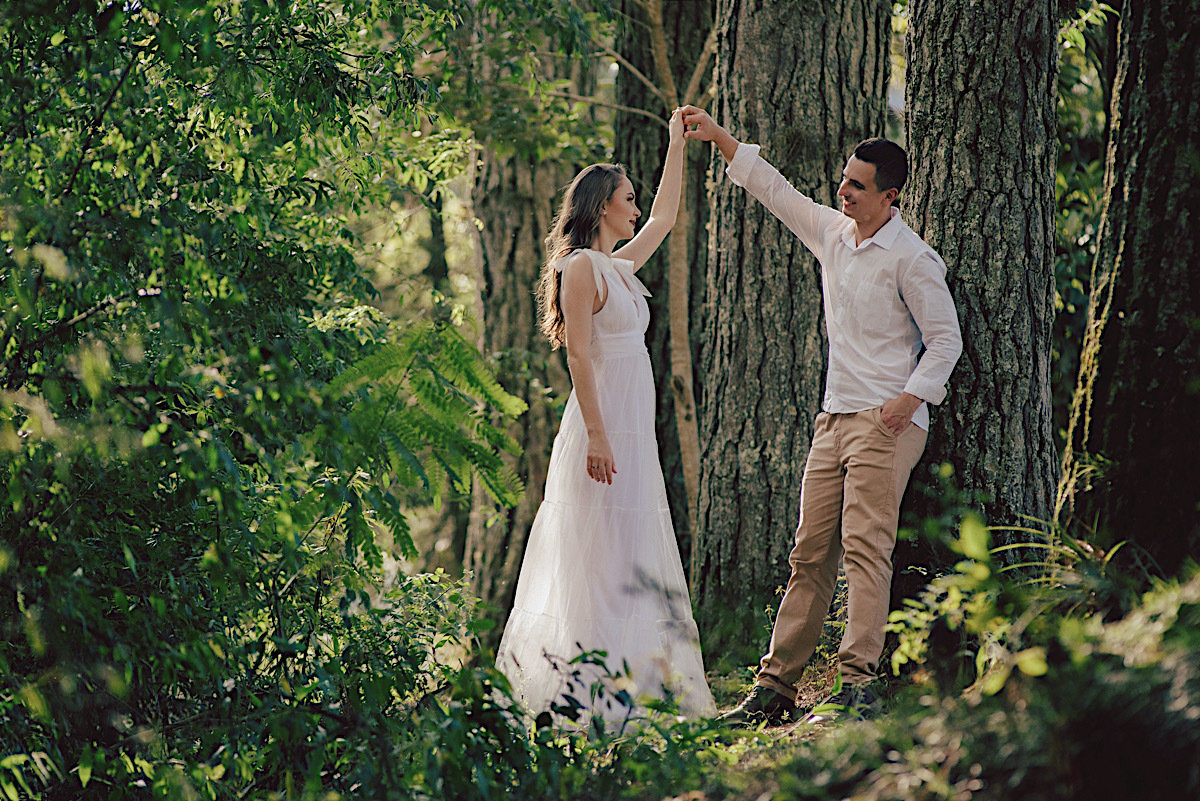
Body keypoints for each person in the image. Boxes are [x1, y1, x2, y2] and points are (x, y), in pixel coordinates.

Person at [680, 106, 963, 725]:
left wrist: (909, 400)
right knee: (809, 555)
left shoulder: (912, 259)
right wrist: (719, 137)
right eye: (844, 179)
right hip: (832, 421)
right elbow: (776, 192)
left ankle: (858, 687)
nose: (844, 191)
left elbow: (946, 340)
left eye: (858, 185)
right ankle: (775, 690)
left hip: (886, 424)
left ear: (890, 196)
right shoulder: (834, 234)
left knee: (866, 552)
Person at [496, 108, 716, 725]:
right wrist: (596, 435)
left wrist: (677, 144)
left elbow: (668, 217)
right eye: (628, 199)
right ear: (600, 207)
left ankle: (634, 685)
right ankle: (584, 695)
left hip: (631, 426)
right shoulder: (581, 268)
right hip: (601, 426)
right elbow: (580, 352)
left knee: (629, 548)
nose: (637, 208)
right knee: (595, 553)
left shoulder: (617, 269)